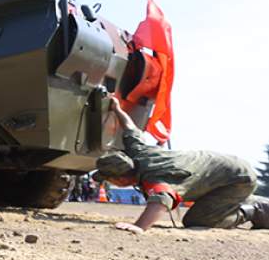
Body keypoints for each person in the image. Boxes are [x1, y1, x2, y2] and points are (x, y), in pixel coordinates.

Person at [94, 96, 269, 233]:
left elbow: (161, 200)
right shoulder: (137, 152)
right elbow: (130, 128)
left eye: (109, 179)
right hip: (224, 171)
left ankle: (253, 210)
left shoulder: (156, 175)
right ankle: (243, 202)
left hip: (236, 179)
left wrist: (140, 226)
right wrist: (116, 108)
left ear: (122, 179)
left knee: (198, 220)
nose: (109, 183)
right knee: (206, 207)